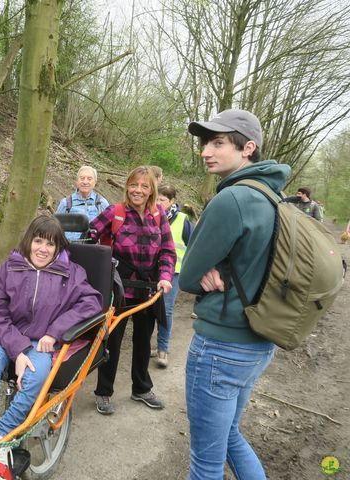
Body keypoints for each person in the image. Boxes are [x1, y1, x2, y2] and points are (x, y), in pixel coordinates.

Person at [179, 108, 291, 479]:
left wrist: (203, 270)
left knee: (205, 463)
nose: (205, 151)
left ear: (248, 148)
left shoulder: (231, 200)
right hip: (259, 342)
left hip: (220, 348)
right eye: (204, 143)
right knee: (229, 436)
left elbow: (188, 276)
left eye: (218, 142)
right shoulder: (273, 197)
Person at [0, 215, 102, 479]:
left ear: (58, 247)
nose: (43, 249)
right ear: (28, 241)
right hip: (10, 335)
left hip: (43, 340)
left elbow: (91, 303)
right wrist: (17, 349)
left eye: (50, 244)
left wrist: (55, 332)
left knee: (36, 373)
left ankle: (1, 434)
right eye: (38, 241)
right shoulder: (9, 268)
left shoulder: (71, 273)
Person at [90, 166, 175, 414]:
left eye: (144, 186)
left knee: (143, 341)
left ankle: (141, 388)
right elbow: (90, 237)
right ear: (127, 186)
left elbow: (168, 251)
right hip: (118, 289)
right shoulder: (114, 213)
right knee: (111, 342)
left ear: (152, 190)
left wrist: (166, 276)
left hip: (148, 290)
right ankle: (104, 392)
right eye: (134, 185)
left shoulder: (159, 215)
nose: (138, 190)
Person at [151, 184, 194, 368]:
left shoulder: (183, 221)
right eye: (157, 199)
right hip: (151, 271)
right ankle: (153, 346)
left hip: (173, 272)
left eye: (163, 200)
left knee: (165, 310)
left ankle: (163, 349)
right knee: (149, 310)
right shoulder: (149, 215)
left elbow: (193, 246)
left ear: (172, 201)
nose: (158, 203)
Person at [56, 166, 109, 241]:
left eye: (89, 179)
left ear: (95, 182)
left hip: (93, 249)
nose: (85, 182)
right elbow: (55, 228)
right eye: (82, 178)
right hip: (69, 248)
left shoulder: (102, 203)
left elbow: (108, 230)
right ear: (77, 181)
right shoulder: (66, 203)